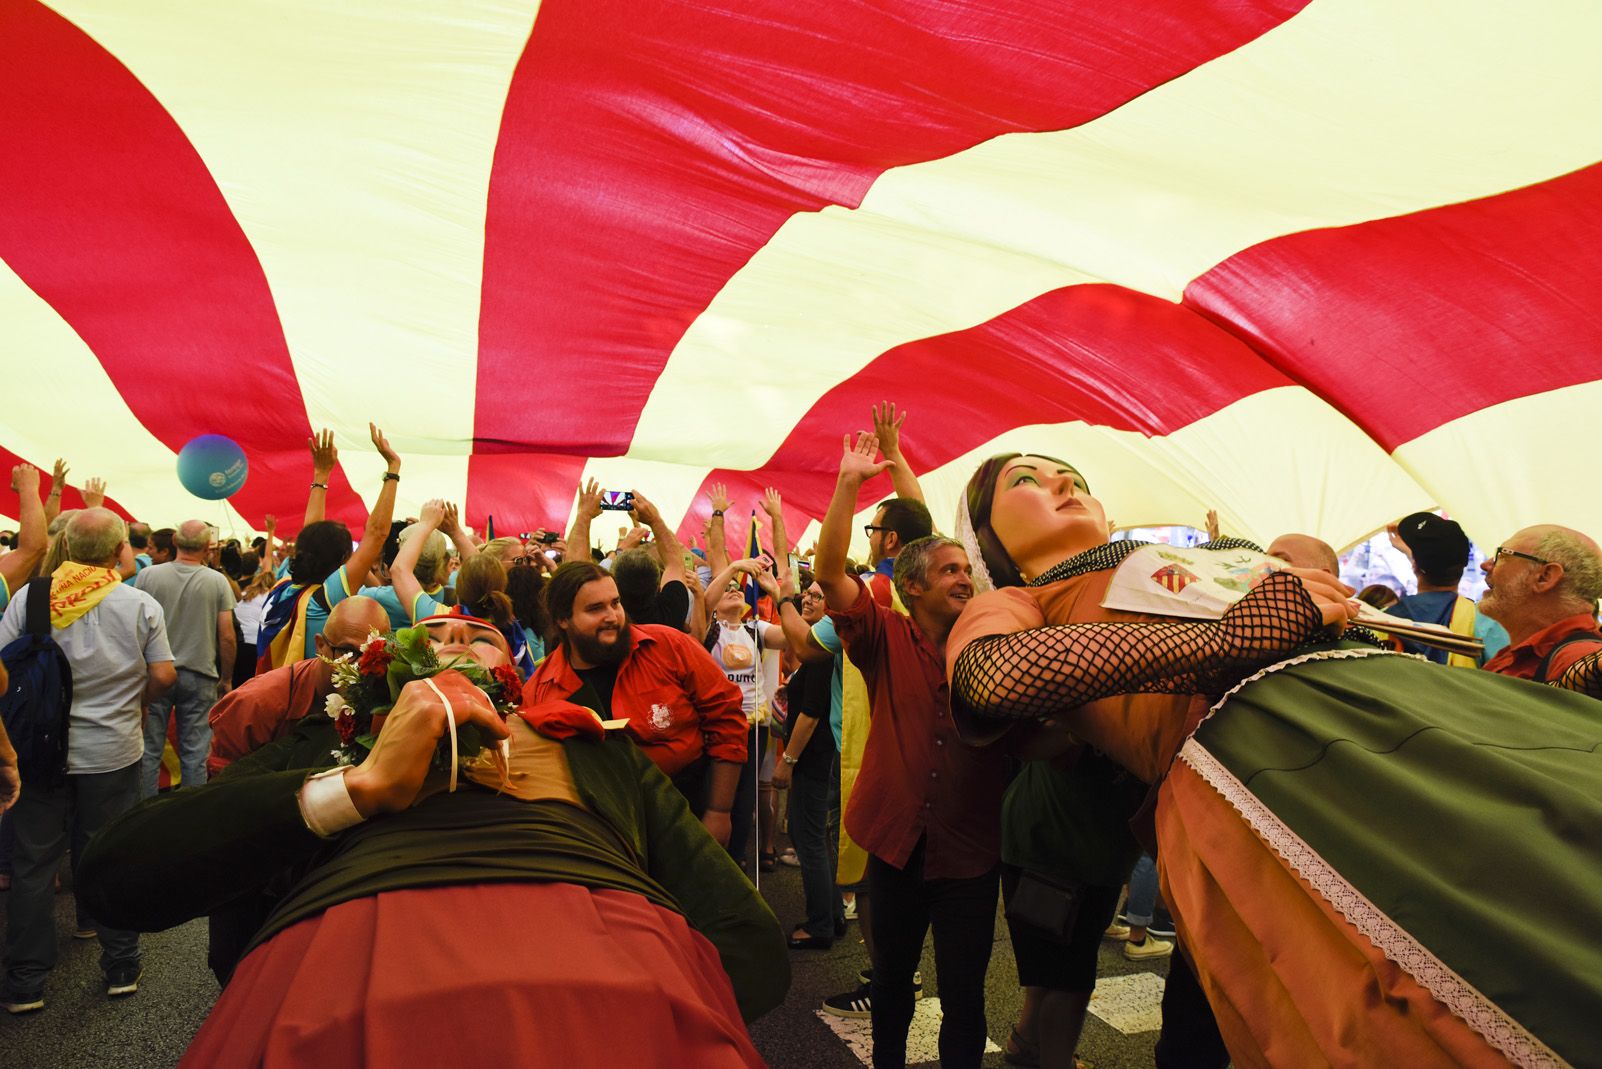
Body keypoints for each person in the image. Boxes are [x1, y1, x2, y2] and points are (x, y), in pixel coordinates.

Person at [946, 451, 1602, 1068]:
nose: (1064, 484)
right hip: (1267, 760)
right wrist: (1233, 636)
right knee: (1408, 990)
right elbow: (992, 674)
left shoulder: (1195, 558)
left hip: (1388, 709)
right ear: (990, 540)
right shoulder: (1017, 603)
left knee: (1549, 857)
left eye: (1069, 475)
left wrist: (1319, 610)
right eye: (1026, 481)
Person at [76, 614, 786, 1065]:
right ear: (377, 678)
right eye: (429, 633)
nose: (449, 641)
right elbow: (114, 875)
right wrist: (355, 787)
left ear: (517, 677)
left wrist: (686, 1002)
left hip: (618, 978)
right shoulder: (328, 743)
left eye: (477, 635)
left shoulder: (587, 741)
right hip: (338, 980)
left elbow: (741, 930)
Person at [815, 431, 1005, 1069]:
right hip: (896, 846)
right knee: (893, 989)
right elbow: (827, 573)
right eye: (950, 571)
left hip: (968, 855)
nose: (963, 580)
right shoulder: (882, 637)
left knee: (965, 999)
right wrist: (848, 487)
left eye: (966, 571)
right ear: (913, 587)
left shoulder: (991, 648)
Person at [0, 508, 176, 1013]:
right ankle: (119, 961)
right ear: (121, 549)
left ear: (68, 547)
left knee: (35, 863)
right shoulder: (139, 603)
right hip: (113, 750)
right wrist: (136, 699)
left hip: (38, 753)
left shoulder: (29, 598)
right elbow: (164, 676)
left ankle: (27, 980)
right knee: (105, 852)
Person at [523, 561, 747, 846]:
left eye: (615, 603)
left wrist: (719, 811)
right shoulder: (541, 690)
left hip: (689, 808)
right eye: (595, 609)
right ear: (562, 620)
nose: (612, 616)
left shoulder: (670, 646)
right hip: (598, 833)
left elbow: (727, 719)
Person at [255, 425, 399, 672]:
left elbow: (312, 538)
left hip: (269, 690)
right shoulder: (325, 598)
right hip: (302, 701)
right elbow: (376, 534)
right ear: (343, 560)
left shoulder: (285, 588)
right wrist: (393, 469)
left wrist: (321, 475)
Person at [207, 596, 392, 777]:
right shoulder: (258, 702)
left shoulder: (383, 695)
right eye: (348, 652)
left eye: (372, 656)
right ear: (320, 646)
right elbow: (218, 789)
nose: (361, 667)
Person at [134, 519, 238, 795]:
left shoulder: (148, 577)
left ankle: (143, 817)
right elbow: (226, 635)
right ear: (207, 547)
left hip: (156, 672)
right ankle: (189, 818)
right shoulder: (217, 581)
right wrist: (227, 677)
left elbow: (136, 626)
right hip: (200, 674)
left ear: (176, 543)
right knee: (196, 753)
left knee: (149, 750)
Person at [771, 577, 846, 949]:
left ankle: (820, 925)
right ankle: (831, 915)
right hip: (819, 754)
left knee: (810, 838)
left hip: (815, 756)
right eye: (808, 594)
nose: (810, 600)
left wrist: (787, 760)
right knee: (814, 837)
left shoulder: (819, 650)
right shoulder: (815, 643)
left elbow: (812, 713)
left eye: (820, 596)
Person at [1478, 524, 1602, 682]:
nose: (1486, 565)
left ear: (1545, 577)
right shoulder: (1520, 654)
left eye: (1501, 556)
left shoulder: (1579, 661)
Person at [1387, 512, 1508, 666]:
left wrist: (1415, 556)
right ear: (1464, 564)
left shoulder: (1380, 619)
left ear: (1415, 566)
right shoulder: (1484, 622)